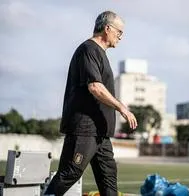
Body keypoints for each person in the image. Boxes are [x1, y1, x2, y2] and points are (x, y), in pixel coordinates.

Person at [44, 10, 137, 196]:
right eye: (119, 32)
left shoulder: (101, 54)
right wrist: (122, 108)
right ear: (107, 28)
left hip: (101, 133)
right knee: (70, 172)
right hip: (85, 129)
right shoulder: (88, 50)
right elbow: (95, 87)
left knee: (108, 178)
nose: (121, 37)